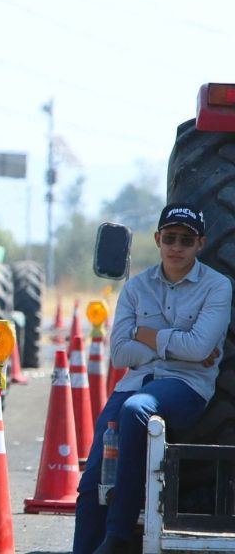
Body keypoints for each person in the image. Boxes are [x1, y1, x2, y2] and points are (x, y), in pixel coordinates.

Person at [75, 203, 233, 554]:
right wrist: (179, 345)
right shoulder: (136, 288)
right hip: (134, 383)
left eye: (186, 240)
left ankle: (117, 535)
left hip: (186, 386)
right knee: (92, 482)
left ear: (201, 243)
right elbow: (120, 354)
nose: (177, 247)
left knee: (136, 410)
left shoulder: (217, 287)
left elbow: (199, 349)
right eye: (171, 238)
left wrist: (145, 334)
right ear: (158, 239)